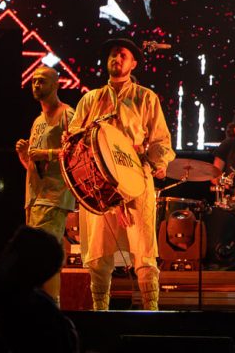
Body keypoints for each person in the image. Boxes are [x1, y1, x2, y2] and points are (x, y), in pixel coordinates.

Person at [69, 36, 175, 311]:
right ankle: (99, 313)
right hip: (98, 187)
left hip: (136, 181)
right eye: (113, 55)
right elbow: (72, 138)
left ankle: (151, 313)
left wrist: (155, 162)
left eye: (123, 55)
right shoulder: (90, 99)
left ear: (133, 63)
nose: (117, 59)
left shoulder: (146, 98)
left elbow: (161, 141)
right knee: (98, 255)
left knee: (144, 253)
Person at [14, 64, 75, 305]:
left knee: (44, 255)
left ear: (56, 84)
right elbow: (34, 165)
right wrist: (24, 155)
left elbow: (77, 154)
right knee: (36, 257)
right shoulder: (38, 120)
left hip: (54, 196)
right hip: (34, 197)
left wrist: (45, 153)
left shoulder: (67, 114)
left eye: (42, 81)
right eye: (34, 81)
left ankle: (51, 308)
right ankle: (44, 308)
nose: (37, 85)